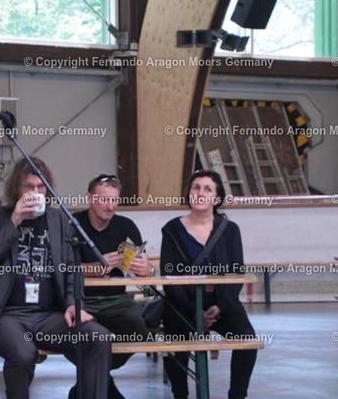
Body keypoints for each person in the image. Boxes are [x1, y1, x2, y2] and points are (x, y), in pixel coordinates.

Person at [0, 157, 112, 399]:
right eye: (28, 187)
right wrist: (15, 220)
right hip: (7, 316)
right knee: (23, 353)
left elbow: (72, 267)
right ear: (16, 188)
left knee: (99, 338)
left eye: (41, 187)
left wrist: (72, 303)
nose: (35, 193)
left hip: (49, 315)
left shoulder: (59, 219)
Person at [160, 170, 257, 399]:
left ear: (217, 197)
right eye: (196, 187)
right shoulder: (172, 229)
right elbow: (168, 277)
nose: (200, 193)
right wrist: (192, 310)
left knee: (248, 341)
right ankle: (180, 395)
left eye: (207, 189)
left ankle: (237, 395)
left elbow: (236, 272)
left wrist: (221, 305)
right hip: (183, 302)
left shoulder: (230, 230)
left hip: (221, 302)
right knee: (173, 342)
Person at [72, 173, 154, 399]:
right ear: (89, 198)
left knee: (138, 328)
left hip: (117, 300)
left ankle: (95, 378)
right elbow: (60, 269)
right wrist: (96, 268)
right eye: (104, 200)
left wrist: (146, 269)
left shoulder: (126, 226)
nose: (110, 206)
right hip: (79, 299)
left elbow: (146, 270)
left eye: (114, 200)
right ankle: (101, 383)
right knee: (79, 334)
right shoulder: (72, 224)